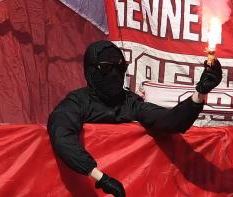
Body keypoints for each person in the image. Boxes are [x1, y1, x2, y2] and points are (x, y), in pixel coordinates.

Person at [47, 40, 222, 196]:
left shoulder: (129, 102)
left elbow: (171, 121)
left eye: (120, 67)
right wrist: (100, 178)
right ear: (91, 70)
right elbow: (62, 135)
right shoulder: (77, 102)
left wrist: (200, 93)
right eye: (106, 68)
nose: (114, 74)